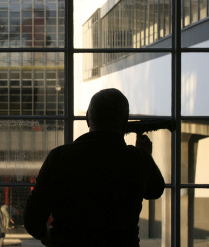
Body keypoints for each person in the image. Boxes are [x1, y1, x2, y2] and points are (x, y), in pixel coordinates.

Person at [23, 88, 165, 247]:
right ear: (125, 124)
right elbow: (155, 190)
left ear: (88, 119)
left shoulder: (59, 158)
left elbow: (32, 220)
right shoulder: (137, 159)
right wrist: (145, 156)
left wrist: (49, 237)